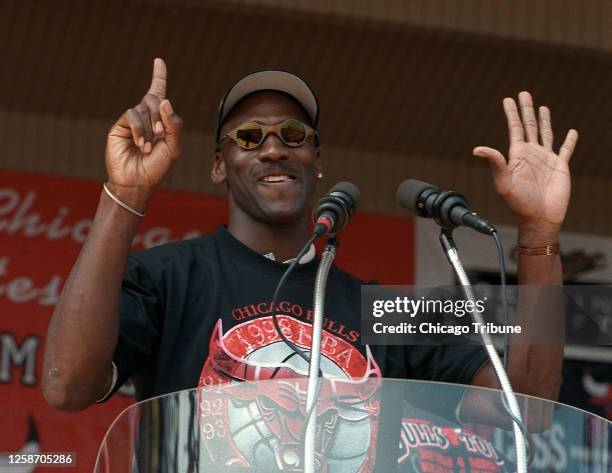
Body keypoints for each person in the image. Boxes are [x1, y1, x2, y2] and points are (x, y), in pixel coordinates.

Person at [42, 58, 578, 412]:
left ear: (316, 162)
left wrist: (538, 231)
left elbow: (527, 409)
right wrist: (126, 193)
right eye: (248, 137)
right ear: (219, 166)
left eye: (292, 135)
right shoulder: (167, 276)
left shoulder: (378, 308)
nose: (273, 148)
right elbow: (66, 386)